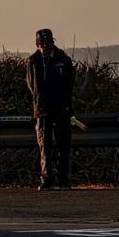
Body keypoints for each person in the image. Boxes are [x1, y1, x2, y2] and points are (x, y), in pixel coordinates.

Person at [25, 28, 75, 190]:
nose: (45, 47)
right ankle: (46, 179)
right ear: (37, 45)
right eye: (42, 44)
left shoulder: (63, 60)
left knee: (63, 145)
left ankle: (64, 180)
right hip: (42, 109)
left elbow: (69, 83)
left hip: (61, 109)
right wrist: (38, 101)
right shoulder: (33, 61)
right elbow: (31, 84)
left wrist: (66, 103)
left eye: (47, 43)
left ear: (53, 43)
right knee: (44, 146)